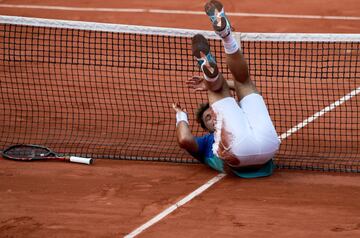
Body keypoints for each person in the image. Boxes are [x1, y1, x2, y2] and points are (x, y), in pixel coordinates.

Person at [172, 0, 280, 178]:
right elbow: (185, 140)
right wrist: (180, 113)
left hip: (256, 147)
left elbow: (183, 139)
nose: (212, 117)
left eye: (210, 113)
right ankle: (227, 37)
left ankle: (212, 76)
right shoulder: (206, 142)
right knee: (243, 82)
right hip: (260, 147)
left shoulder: (215, 138)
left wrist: (180, 116)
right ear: (206, 128)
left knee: (229, 85)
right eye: (208, 118)